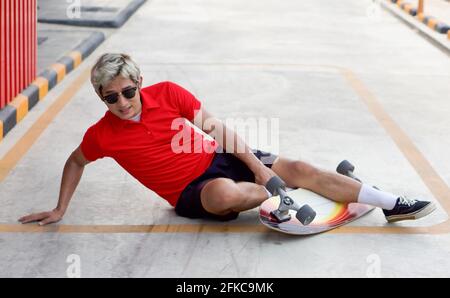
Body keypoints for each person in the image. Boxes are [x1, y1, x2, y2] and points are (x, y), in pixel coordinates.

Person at [19, 53, 436, 225]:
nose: (123, 103)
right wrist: (60, 208)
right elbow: (75, 161)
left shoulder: (167, 93)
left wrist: (259, 166)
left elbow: (216, 129)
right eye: (111, 98)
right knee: (222, 193)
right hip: (191, 191)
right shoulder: (102, 135)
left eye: (129, 92)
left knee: (299, 168)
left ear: (139, 83)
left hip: (221, 157)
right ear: (101, 98)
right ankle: (277, 200)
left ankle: (391, 204)